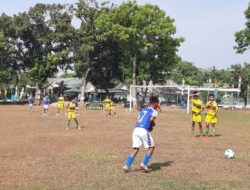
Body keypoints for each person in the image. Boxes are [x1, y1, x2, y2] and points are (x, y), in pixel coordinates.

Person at [123, 96, 159, 173]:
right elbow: (151, 120)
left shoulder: (143, 110)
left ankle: (126, 166)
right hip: (143, 130)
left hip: (136, 130)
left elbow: (138, 120)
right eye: (158, 103)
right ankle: (144, 164)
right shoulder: (154, 111)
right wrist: (152, 125)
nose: (158, 105)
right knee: (152, 147)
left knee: (135, 148)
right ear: (155, 103)